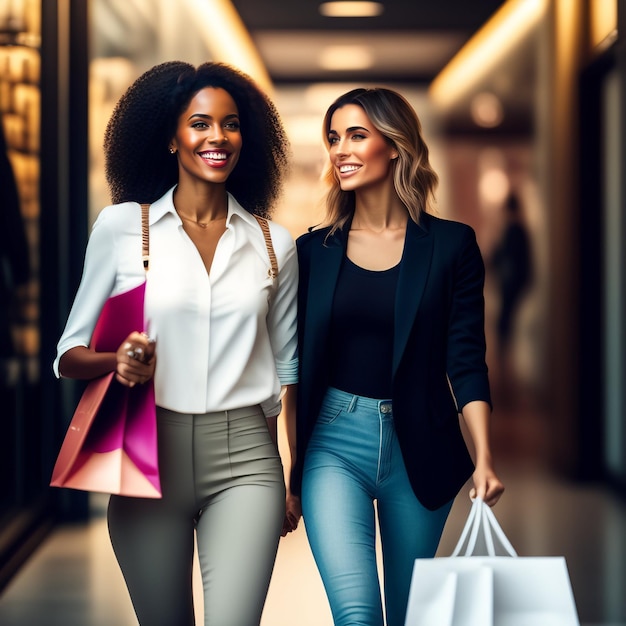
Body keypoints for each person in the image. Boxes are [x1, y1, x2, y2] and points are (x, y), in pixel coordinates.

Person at [53, 61, 300, 626]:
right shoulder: (122, 228)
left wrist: (292, 479)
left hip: (247, 461)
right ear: (170, 136)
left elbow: (285, 371)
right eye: (200, 123)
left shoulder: (273, 244)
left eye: (231, 124)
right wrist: (117, 362)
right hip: (147, 454)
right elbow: (68, 355)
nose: (218, 137)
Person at [291, 87, 504, 626]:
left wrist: (483, 457)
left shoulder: (452, 246)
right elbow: (293, 370)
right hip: (333, 444)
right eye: (334, 137)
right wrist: (291, 473)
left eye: (357, 135)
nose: (341, 149)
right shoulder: (312, 251)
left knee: (412, 614)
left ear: (396, 145)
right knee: (357, 613)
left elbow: (466, 360)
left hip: (421, 445)